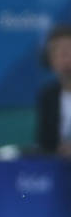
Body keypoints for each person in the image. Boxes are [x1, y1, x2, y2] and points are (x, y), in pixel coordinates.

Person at [36, 24, 71, 158]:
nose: (65, 59)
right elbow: (45, 142)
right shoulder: (48, 96)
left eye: (69, 51)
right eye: (58, 53)